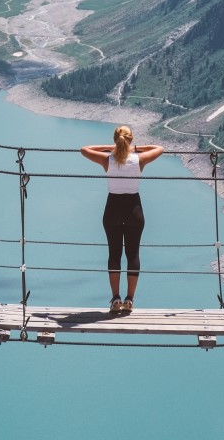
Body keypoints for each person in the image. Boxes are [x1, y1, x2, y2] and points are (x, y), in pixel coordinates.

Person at [80, 125, 164, 315]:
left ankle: (115, 298)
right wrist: (133, 149)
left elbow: (84, 150)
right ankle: (130, 300)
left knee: (114, 254)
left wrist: (112, 148)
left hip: (113, 209)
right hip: (134, 209)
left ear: (115, 140)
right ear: (131, 140)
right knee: (133, 255)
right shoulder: (139, 160)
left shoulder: (107, 160)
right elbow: (159, 148)